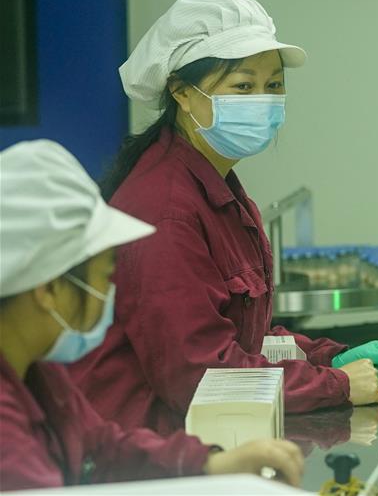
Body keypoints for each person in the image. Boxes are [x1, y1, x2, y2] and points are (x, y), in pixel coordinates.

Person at [69, 0, 378, 435]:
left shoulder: (216, 187)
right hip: (151, 452)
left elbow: (243, 338)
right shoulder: (165, 211)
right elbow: (199, 375)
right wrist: (336, 385)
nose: (263, 100)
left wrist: (327, 356)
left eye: (274, 85)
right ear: (181, 92)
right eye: (243, 86)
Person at [0, 140, 304, 491]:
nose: (110, 293)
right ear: (50, 289)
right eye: (105, 276)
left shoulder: (38, 371)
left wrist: (213, 464)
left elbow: (101, 450)